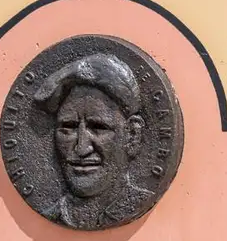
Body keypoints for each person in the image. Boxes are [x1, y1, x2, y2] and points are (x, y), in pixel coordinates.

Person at [32, 53, 154, 229]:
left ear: (132, 135)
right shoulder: (50, 214)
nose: (82, 148)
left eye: (98, 127)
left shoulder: (139, 203)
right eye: (68, 127)